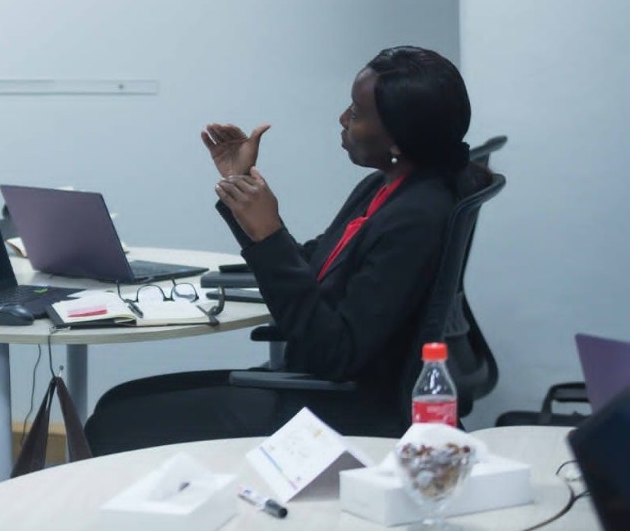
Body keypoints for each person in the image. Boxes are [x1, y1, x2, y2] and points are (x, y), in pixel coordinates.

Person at [84, 46, 490, 455]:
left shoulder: (416, 219)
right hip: (319, 388)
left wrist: (268, 234)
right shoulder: (386, 188)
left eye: (356, 112)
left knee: (112, 422)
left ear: (399, 136)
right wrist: (243, 190)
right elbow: (313, 265)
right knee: (117, 401)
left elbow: (336, 354)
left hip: (340, 408)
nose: (343, 119)